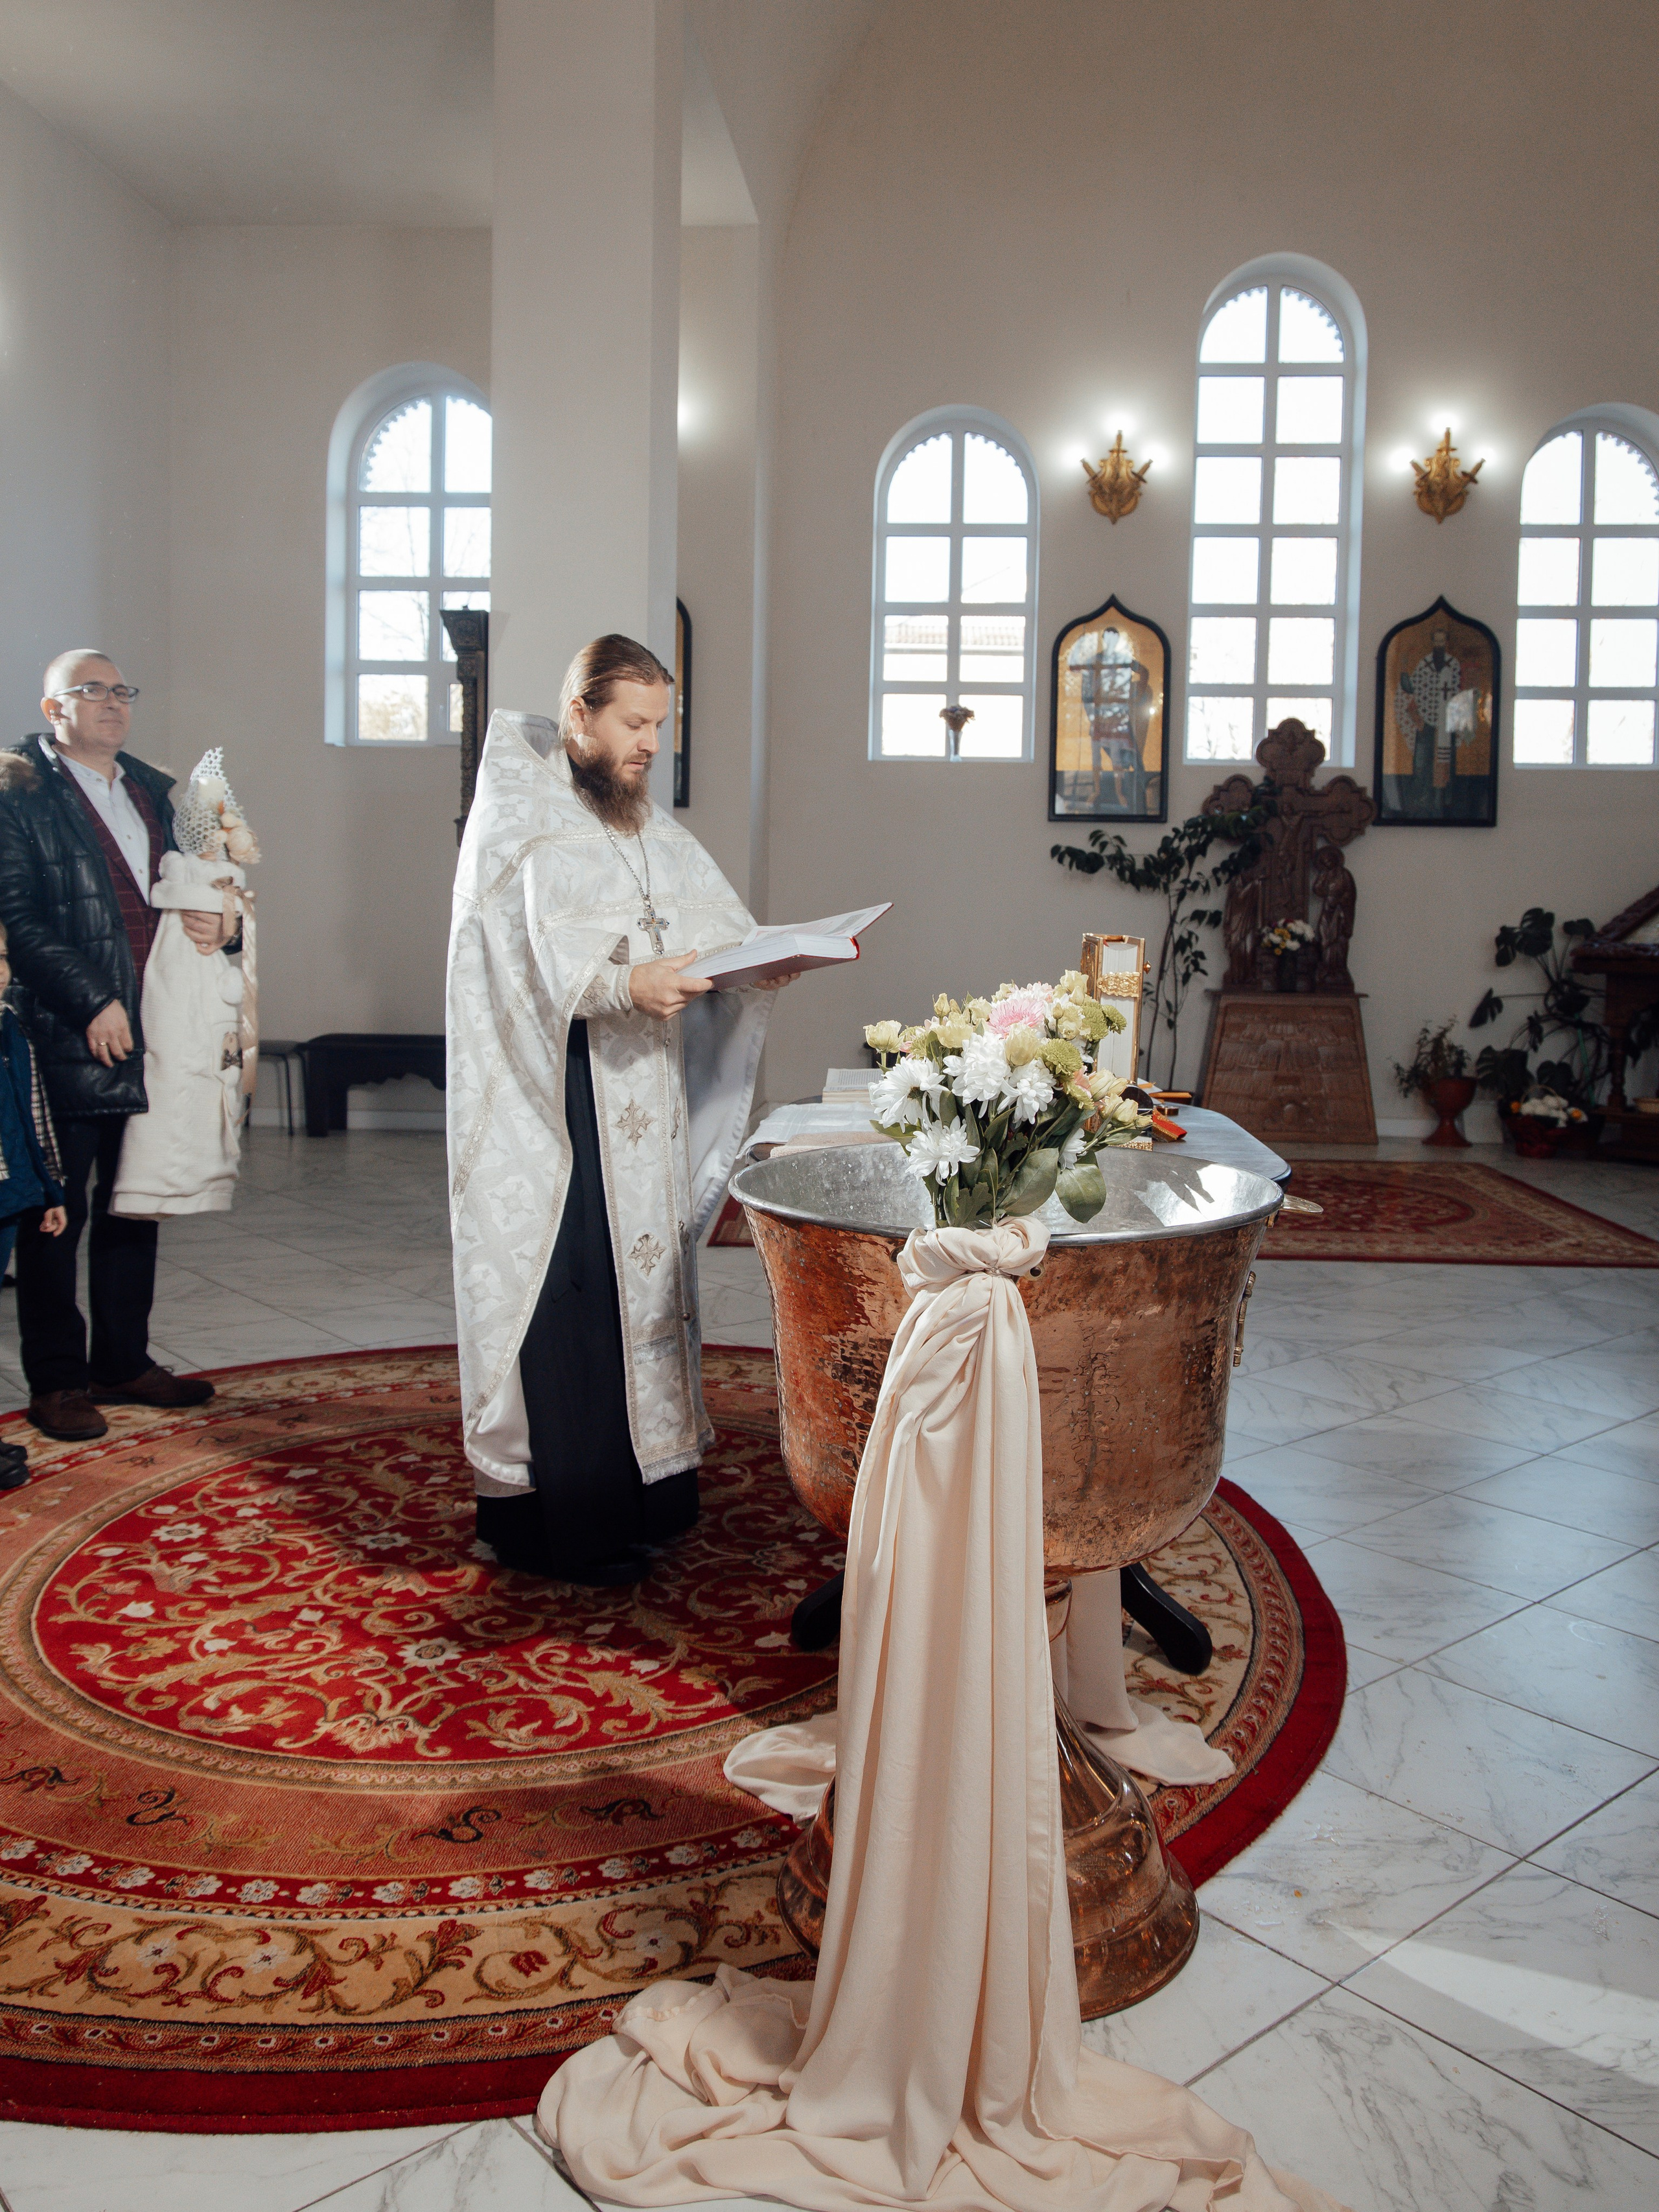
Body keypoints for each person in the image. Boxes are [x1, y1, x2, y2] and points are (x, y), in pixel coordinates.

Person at [447, 634, 789, 1586]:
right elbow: (515, 968)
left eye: (659, 728)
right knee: (573, 1295)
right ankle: (569, 1522)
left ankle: (650, 1493)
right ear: (579, 715)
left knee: (642, 1286)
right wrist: (618, 981)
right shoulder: (519, 822)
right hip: (555, 1106)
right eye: (633, 724)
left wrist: (765, 962)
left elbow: (713, 928)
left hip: (638, 1092)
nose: (649, 746)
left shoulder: (645, 822)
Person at [0, 650, 231, 1442]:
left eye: (120, 690)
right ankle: (59, 1381)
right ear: (51, 706)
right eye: (89, 690)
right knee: (55, 1214)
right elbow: (20, 917)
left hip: (158, 1023)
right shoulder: (17, 791)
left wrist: (224, 923)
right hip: (69, 1028)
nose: (110, 702)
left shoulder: (154, 789)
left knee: (138, 1200)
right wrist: (92, 1000)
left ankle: (123, 1361)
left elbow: (205, 881)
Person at [0, 920, 67, 1489]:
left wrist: (51, 1189)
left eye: (2, 957)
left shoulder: (11, 1028)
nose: (0, 970)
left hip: (11, 1192)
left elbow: (35, 1115)